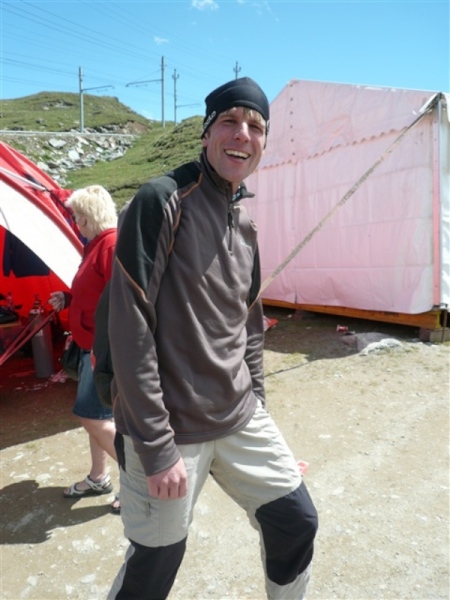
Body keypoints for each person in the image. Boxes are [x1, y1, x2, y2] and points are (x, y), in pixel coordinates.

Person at [104, 77, 318, 599]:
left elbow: (249, 327)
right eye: (230, 121)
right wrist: (157, 448)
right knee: (155, 563)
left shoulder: (245, 223)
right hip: (170, 428)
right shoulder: (162, 200)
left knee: (296, 520)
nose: (242, 134)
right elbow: (129, 326)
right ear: (206, 133)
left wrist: (261, 414)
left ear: (263, 143)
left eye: (256, 127)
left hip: (240, 417)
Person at [49, 184, 120, 514]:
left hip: (101, 348)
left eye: (77, 216)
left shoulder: (111, 245)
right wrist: (69, 299)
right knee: (98, 416)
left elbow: (121, 304)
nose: (75, 222)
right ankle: (99, 477)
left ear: (90, 216)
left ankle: (140, 481)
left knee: (91, 416)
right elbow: (94, 293)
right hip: (90, 343)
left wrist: (104, 349)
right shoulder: (96, 245)